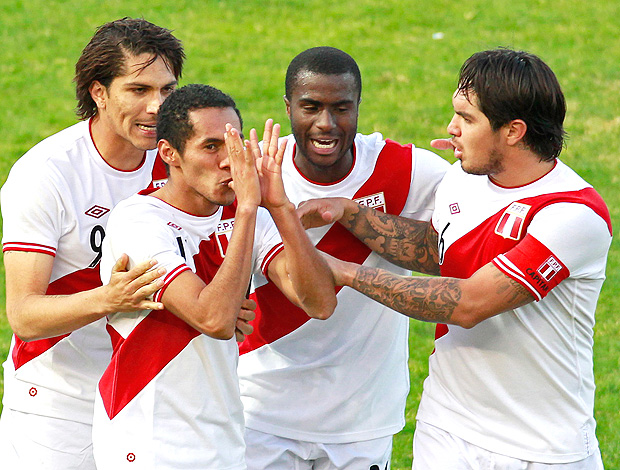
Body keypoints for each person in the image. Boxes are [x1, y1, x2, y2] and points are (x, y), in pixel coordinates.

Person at [297, 48, 611, 469]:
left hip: (541, 448)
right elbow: (438, 248)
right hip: (445, 429)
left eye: (467, 118)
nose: (451, 129)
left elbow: (467, 304)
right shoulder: (463, 181)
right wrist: (353, 214)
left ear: (513, 131)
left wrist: (341, 272)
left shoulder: (572, 215)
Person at [91, 84, 336, 469]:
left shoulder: (246, 213)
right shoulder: (138, 223)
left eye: (233, 144)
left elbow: (320, 302)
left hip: (222, 442)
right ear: (169, 153)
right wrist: (249, 210)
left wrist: (281, 206)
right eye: (211, 147)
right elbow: (215, 318)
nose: (228, 162)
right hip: (148, 444)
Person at [237, 46, 450, 469]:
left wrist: (354, 216)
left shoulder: (405, 170)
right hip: (260, 412)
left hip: (363, 419)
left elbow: (453, 254)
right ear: (287, 106)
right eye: (310, 107)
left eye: (341, 108)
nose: (325, 124)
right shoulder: (254, 176)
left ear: (358, 107)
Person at [0, 18, 186, 470]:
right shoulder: (46, 174)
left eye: (167, 90)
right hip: (59, 407)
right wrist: (111, 298)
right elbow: (24, 315)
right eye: (138, 90)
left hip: (154, 399)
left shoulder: (182, 163)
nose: (156, 107)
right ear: (98, 92)